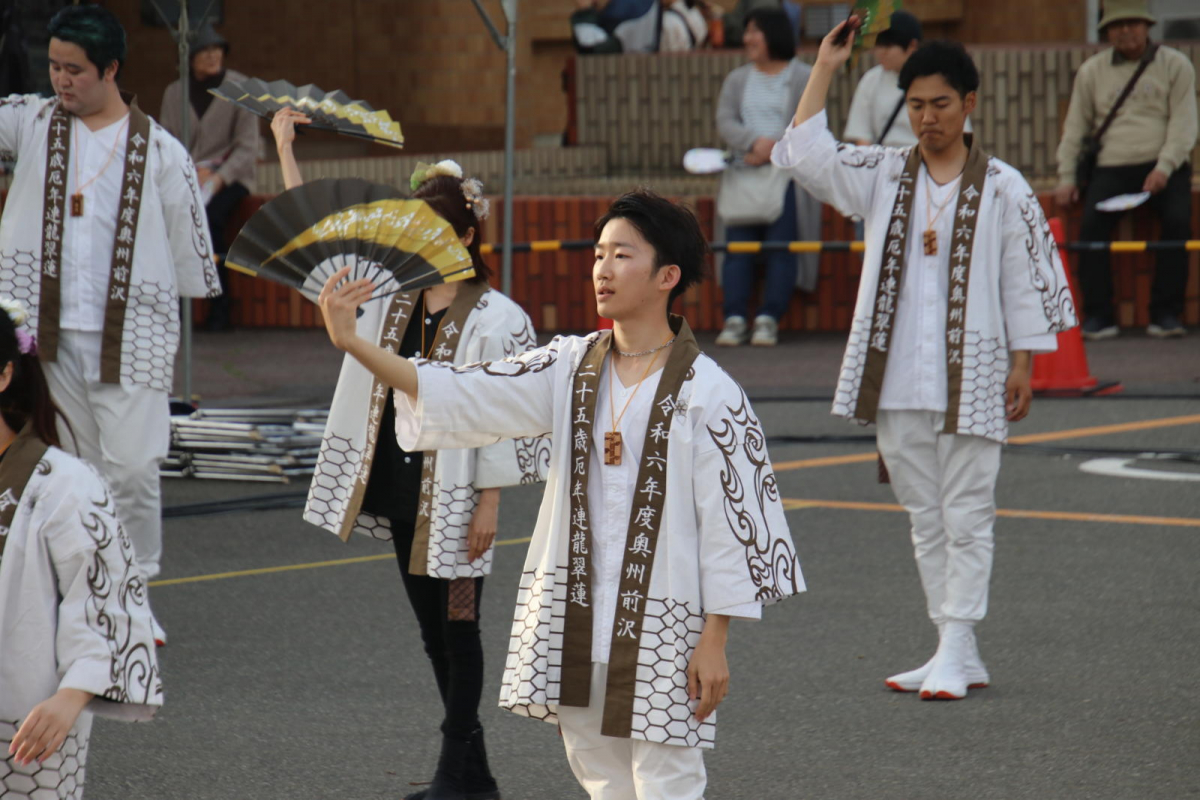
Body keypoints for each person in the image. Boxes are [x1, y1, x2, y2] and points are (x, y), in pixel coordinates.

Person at [316, 188, 803, 800]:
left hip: (664, 620)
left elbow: (732, 527)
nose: (601, 268)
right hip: (575, 611)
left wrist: (715, 639)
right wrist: (356, 345)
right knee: (598, 772)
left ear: (667, 276)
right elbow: (462, 391)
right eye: (598, 254)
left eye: (622, 255)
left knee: (668, 778)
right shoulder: (569, 364)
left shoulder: (712, 393)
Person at [774, 31, 1076, 700]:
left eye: (940, 103)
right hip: (898, 375)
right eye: (915, 105)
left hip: (973, 374)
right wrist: (825, 67)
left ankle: (959, 642)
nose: (927, 118)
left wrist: (1023, 365)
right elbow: (804, 154)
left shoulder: (1003, 186)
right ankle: (951, 644)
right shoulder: (884, 171)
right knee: (923, 512)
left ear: (969, 103)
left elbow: (1024, 281)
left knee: (967, 510)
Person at [271, 109, 545, 800]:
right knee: (432, 634)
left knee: (462, 626)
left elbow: (511, 419)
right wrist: (284, 149)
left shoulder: (499, 317)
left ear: (469, 235)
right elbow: (316, 255)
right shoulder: (384, 297)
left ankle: (456, 772)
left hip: (459, 495)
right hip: (400, 488)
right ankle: (473, 777)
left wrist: (490, 503)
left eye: (438, 232)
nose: (422, 243)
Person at [0, 5, 220, 638]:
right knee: (68, 465)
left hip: (131, 335)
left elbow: (190, 254)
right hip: (45, 334)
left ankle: (134, 588)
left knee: (131, 469)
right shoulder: (35, 121)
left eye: (74, 70)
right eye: (53, 66)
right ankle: (79, 590)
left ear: (111, 70)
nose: (61, 80)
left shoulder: (163, 154)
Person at [0, 296, 163, 799]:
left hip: (25, 721)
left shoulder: (64, 483)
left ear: (4, 375)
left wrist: (70, 697)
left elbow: (105, 598)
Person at [1054, 0, 1197, 340]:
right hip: (1111, 166)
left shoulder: (1176, 65)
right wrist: (1066, 177)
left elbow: (1184, 124)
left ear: (1148, 26)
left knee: (1178, 221)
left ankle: (1165, 312)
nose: (1126, 30)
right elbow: (1075, 129)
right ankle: (1099, 315)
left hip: (1164, 166)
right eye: (1117, 25)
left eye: (1133, 23)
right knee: (1090, 226)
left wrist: (1164, 167)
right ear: (1107, 32)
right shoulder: (1091, 71)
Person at [714, 7, 820, 347]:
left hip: (784, 177)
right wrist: (754, 143)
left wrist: (774, 147)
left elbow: (810, 119)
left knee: (780, 246)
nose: (747, 39)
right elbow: (725, 120)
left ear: (774, 34)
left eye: (754, 32)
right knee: (737, 248)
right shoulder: (737, 79)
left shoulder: (803, 76)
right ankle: (733, 317)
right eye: (746, 32)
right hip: (743, 175)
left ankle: (768, 318)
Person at [160, 24, 259, 332]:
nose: (214, 55)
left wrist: (217, 177)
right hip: (187, 177)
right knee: (170, 222)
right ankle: (173, 309)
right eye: (205, 50)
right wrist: (188, 172)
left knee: (212, 221)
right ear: (189, 58)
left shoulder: (241, 88)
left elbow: (248, 147)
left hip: (232, 178)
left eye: (218, 49)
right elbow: (166, 141)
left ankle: (220, 306)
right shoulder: (174, 92)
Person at [843, 11, 924, 148]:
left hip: (925, 161)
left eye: (888, 46)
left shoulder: (935, 79)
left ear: (912, 46)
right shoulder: (871, 80)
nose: (880, 52)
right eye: (878, 46)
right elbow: (862, 137)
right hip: (883, 162)